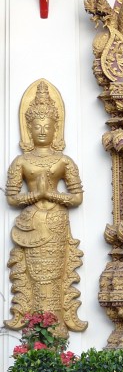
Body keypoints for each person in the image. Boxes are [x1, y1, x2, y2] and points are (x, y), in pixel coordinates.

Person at [5, 80, 87, 336]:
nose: (42, 130)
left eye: (47, 125)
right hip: (30, 223)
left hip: (56, 223)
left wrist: (51, 195)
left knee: (56, 274)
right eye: (37, 126)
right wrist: (34, 196)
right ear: (28, 128)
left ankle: (57, 322)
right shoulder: (21, 161)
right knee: (33, 274)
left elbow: (76, 198)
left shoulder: (64, 161)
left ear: (55, 127)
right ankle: (35, 324)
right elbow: (11, 198)